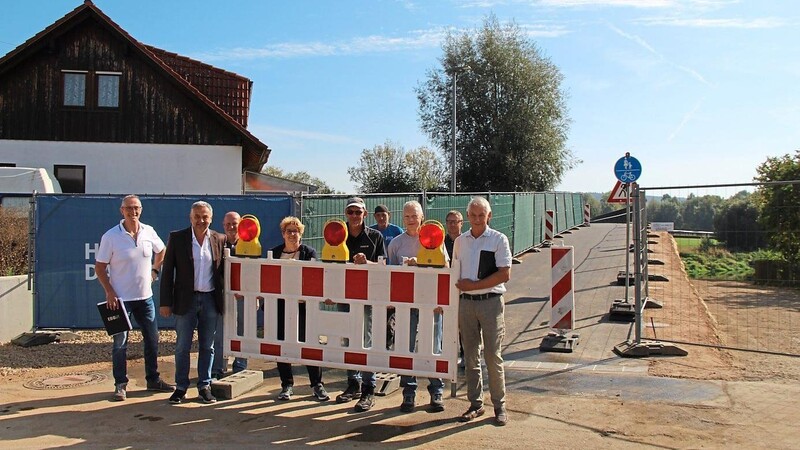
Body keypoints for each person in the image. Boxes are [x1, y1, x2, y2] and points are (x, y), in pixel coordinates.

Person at [95, 194, 174, 401]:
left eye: (136, 208)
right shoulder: (111, 236)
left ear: (141, 210)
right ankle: (120, 385)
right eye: (129, 208)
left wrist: (155, 271)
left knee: (152, 340)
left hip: (145, 299)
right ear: (122, 211)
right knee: (120, 344)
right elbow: (100, 267)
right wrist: (110, 292)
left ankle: (153, 379)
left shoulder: (149, 232)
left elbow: (162, 250)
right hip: (120, 301)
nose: (133, 212)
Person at [453, 196, 512, 426]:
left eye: (481, 215)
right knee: (470, 356)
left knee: (492, 355)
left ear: (489, 216)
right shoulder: (460, 241)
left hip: (491, 303)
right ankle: (476, 404)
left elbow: (504, 273)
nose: (477, 219)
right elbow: (454, 273)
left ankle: (499, 405)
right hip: (466, 303)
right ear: (467, 217)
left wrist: (474, 286)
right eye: (473, 215)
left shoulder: (499, 239)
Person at [160, 201, 226, 404]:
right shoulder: (177, 238)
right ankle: (181, 387)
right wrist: (165, 302)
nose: (201, 220)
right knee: (182, 346)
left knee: (208, 346)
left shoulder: (219, 239)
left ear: (211, 218)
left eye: (205, 216)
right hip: (184, 301)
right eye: (197, 216)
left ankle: (204, 385)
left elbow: (224, 272)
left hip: (210, 300)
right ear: (190, 218)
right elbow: (168, 271)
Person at [386, 201, 446, 413]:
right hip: (406, 305)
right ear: (403, 219)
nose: (411, 220)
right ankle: (408, 392)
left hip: (431, 304)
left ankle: (436, 390)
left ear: (422, 217)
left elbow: (445, 267)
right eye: (407, 217)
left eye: (415, 216)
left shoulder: (435, 237)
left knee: (433, 346)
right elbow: (390, 274)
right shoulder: (395, 243)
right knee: (406, 346)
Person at [270, 216, 329, 402]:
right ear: (283, 234)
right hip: (280, 306)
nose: (292, 234)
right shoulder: (274, 252)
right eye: (289, 231)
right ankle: (286, 385)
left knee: (309, 344)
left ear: (301, 234)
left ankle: (316, 384)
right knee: (281, 345)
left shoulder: (309, 252)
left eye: (296, 231)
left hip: (304, 308)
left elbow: (314, 279)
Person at [334, 196, 385, 412]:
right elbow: (330, 264)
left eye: (358, 212)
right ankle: (353, 383)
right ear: (346, 214)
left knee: (366, 340)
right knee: (346, 339)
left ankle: (368, 388)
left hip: (367, 298)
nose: (354, 216)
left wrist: (368, 263)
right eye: (350, 212)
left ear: (365, 214)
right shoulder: (337, 235)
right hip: (344, 296)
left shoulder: (376, 236)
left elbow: (383, 266)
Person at [212, 211, 248, 378]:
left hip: (243, 297)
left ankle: (240, 366)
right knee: (220, 332)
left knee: (242, 330)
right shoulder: (218, 244)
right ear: (223, 226)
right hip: (221, 296)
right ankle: (218, 368)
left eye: (234, 223)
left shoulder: (250, 244)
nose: (231, 227)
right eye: (228, 224)